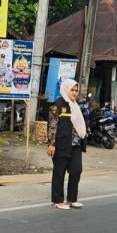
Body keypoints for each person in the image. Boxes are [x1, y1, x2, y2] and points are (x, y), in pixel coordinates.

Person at [46, 79, 87, 210]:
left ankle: (72, 199)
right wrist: (51, 144)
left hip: (75, 144)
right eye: (72, 90)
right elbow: (52, 125)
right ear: (66, 89)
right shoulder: (57, 105)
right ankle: (57, 200)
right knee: (59, 173)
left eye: (76, 90)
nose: (74, 93)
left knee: (76, 170)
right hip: (61, 143)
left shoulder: (75, 105)